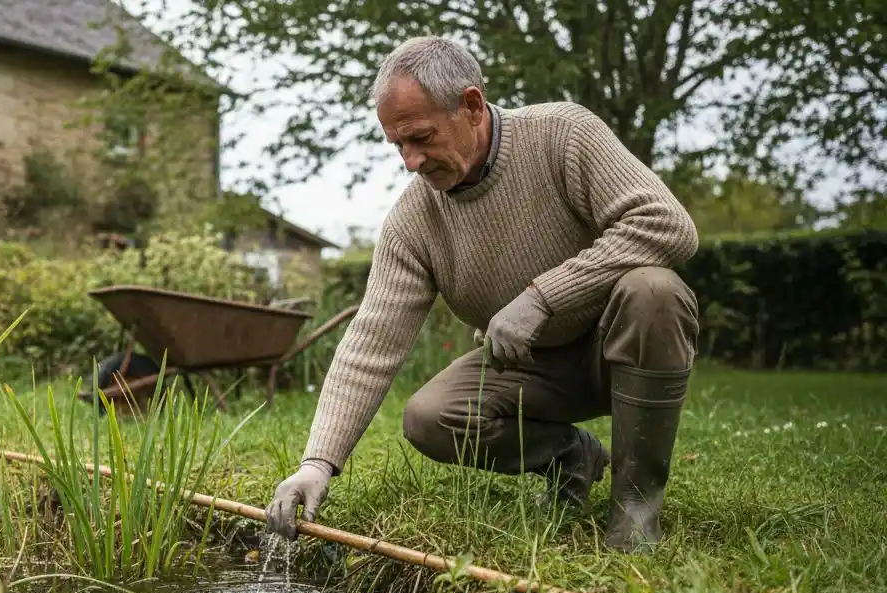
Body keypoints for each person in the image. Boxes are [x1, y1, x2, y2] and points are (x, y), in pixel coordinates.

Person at [264, 36, 700, 553]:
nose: (410, 160)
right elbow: (372, 340)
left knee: (654, 289)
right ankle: (571, 457)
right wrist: (316, 464)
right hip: (528, 369)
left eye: (421, 137)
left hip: (621, 353)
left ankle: (635, 510)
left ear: (471, 106)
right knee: (429, 417)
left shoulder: (564, 135)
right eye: (397, 145)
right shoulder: (414, 220)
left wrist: (543, 297)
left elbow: (669, 226)